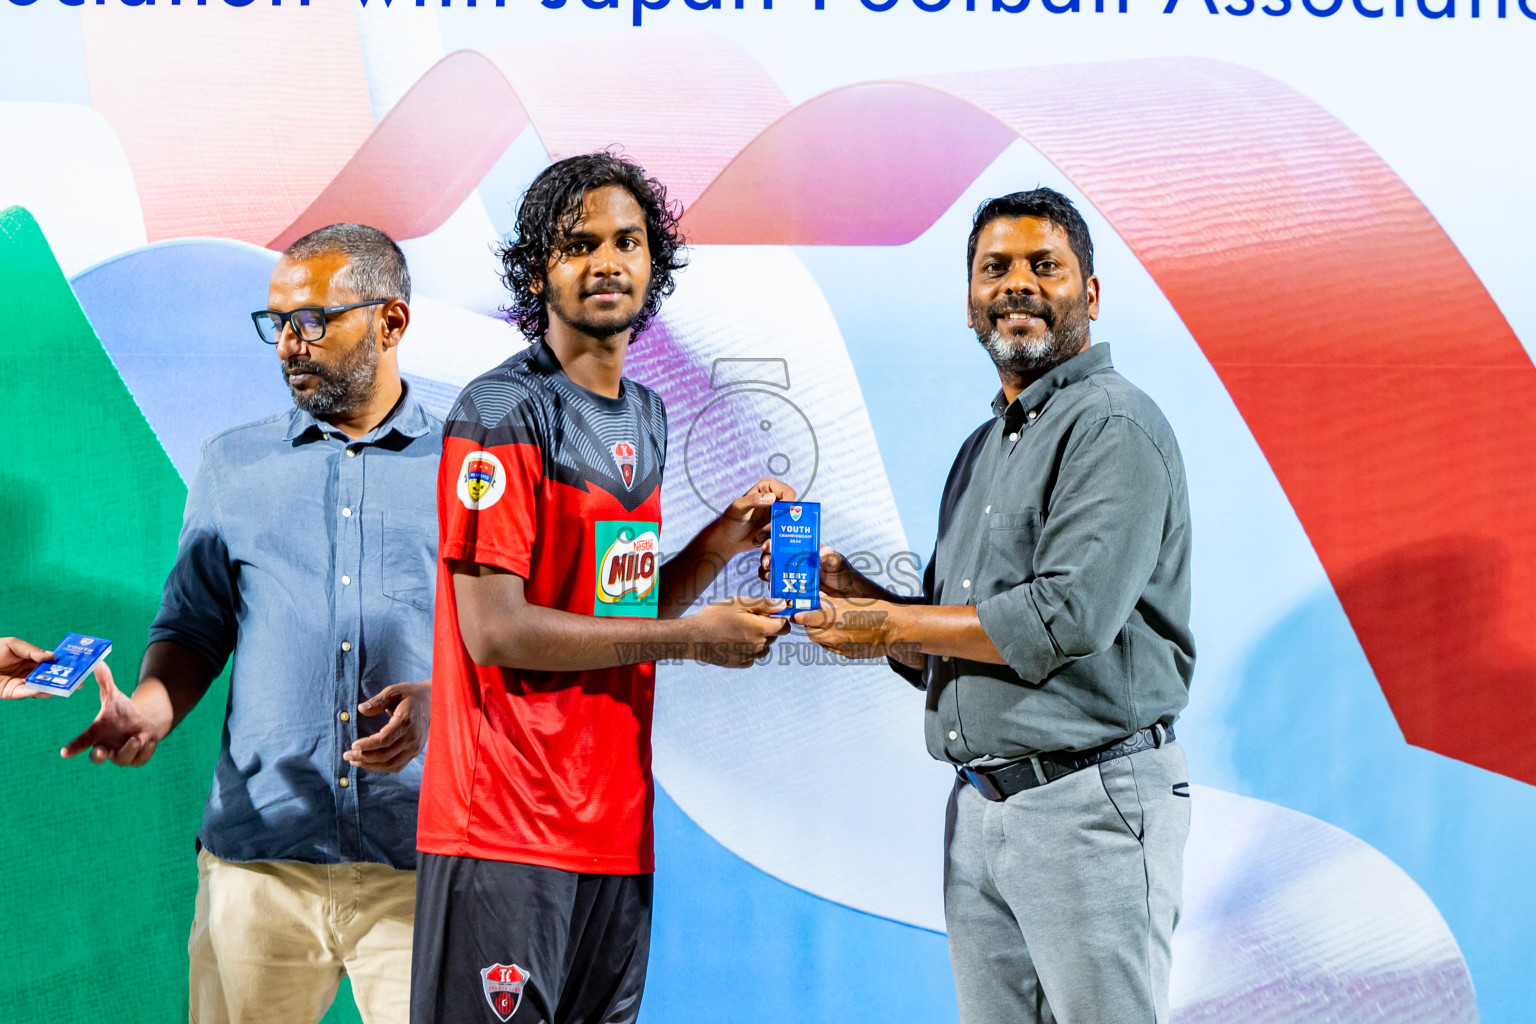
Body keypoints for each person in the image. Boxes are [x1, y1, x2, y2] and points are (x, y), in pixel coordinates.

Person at [787, 188, 1194, 1024]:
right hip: (981, 811)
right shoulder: (984, 447)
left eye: (1044, 265)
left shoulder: (1113, 425)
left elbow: (1063, 618)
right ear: (970, 297)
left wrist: (891, 624)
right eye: (993, 268)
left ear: (1090, 291)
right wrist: (862, 603)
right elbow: (956, 639)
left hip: (1090, 806)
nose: (1016, 284)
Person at [410, 152, 791, 1024]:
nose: (607, 262)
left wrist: (718, 540)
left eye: (628, 242)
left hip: (614, 832)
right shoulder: (502, 412)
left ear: (655, 263)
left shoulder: (645, 414)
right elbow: (497, 633)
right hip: (505, 829)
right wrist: (697, 638)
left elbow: (618, 613)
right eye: (579, 244)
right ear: (538, 268)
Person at [61, 224, 441, 1024]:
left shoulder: (470, 469)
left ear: (391, 323)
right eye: (277, 323)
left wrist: (448, 699)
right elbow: (195, 626)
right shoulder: (231, 463)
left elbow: (512, 638)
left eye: (312, 321)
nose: (288, 346)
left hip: (428, 866)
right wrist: (151, 710)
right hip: (257, 866)